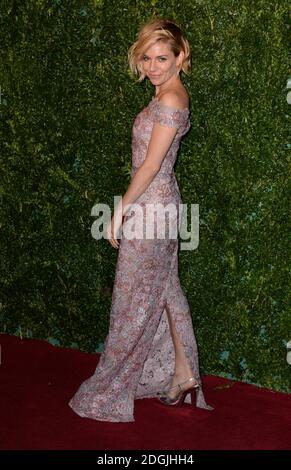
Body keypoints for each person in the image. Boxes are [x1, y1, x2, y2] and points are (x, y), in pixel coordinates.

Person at [68, 17, 213, 422]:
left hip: (151, 209)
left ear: (181, 56)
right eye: (147, 57)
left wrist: (120, 210)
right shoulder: (166, 94)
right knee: (166, 289)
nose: (153, 66)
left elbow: (150, 167)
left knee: (132, 302)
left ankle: (111, 390)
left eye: (162, 57)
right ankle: (183, 375)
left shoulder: (171, 100)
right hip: (160, 208)